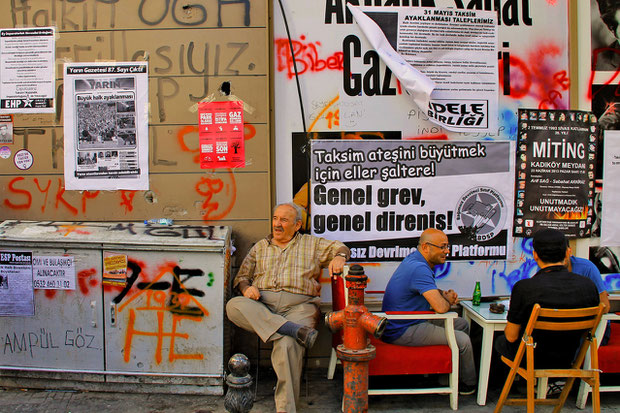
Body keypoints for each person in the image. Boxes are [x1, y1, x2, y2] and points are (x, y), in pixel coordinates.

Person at [226, 202, 349, 413]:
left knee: (287, 345)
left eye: (284, 220)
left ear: (297, 225)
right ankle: (289, 329)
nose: (277, 224)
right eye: (275, 219)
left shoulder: (311, 244)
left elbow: (341, 248)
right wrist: (246, 289)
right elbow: (242, 278)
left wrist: (340, 257)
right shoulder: (260, 247)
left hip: (300, 307)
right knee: (233, 305)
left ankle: (285, 409)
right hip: (262, 306)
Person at [380, 228, 477, 395]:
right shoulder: (419, 268)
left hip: (409, 320)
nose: (447, 251)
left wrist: (441, 294)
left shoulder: (415, 260)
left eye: (447, 246)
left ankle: (445, 379)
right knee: (463, 340)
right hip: (403, 328)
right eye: (442, 247)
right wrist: (446, 300)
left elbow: (424, 290)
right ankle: (469, 385)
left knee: (461, 324)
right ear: (426, 247)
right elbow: (440, 308)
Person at [495, 229, 600, 368]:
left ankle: (508, 388)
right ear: (567, 253)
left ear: (535, 255)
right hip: (569, 358)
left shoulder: (525, 288)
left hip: (532, 358)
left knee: (499, 341)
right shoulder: (588, 286)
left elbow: (511, 336)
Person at [567, 251, 611, 345]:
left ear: (569, 251)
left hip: (592, 327)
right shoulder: (542, 268)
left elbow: (605, 306)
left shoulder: (587, 268)